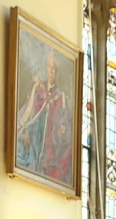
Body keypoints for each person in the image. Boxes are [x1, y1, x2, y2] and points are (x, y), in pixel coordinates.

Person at [17, 51, 73, 183]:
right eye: (49, 67)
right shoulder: (38, 90)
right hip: (34, 137)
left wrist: (63, 128)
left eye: (54, 68)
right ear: (46, 68)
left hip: (50, 143)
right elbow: (28, 115)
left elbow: (63, 126)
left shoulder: (61, 97)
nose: (51, 71)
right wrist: (26, 131)